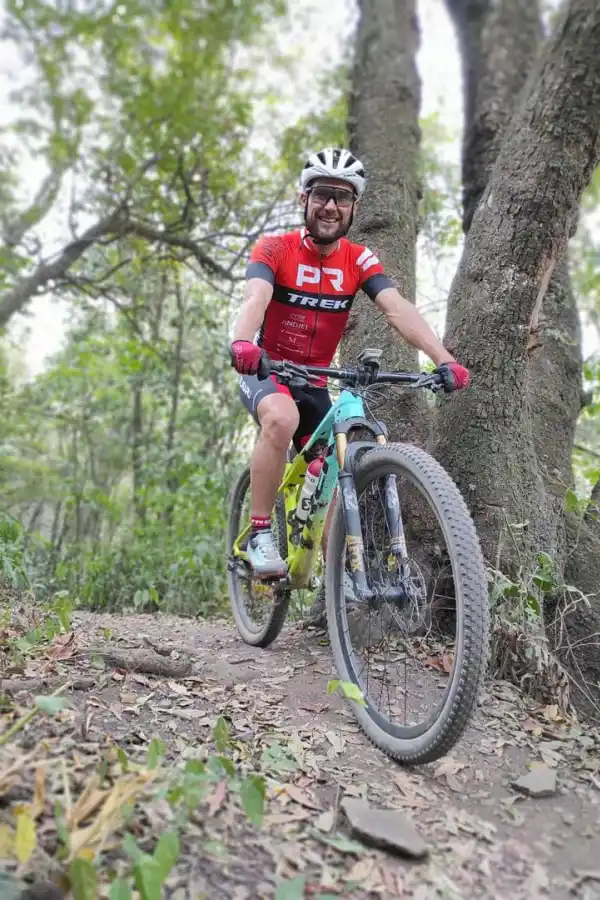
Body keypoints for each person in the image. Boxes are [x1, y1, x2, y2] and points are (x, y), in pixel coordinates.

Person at [230, 147, 470, 588]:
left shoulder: (358, 260)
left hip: (316, 378)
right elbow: (256, 299)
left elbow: (398, 309)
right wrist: (243, 342)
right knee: (281, 419)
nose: (330, 207)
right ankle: (261, 533)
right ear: (304, 199)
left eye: (341, 198)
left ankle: (335, 581)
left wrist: (444, 360)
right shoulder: (275, 248)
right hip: (268, 371)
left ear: (353, 207)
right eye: (322, 194)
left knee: (335, 475)